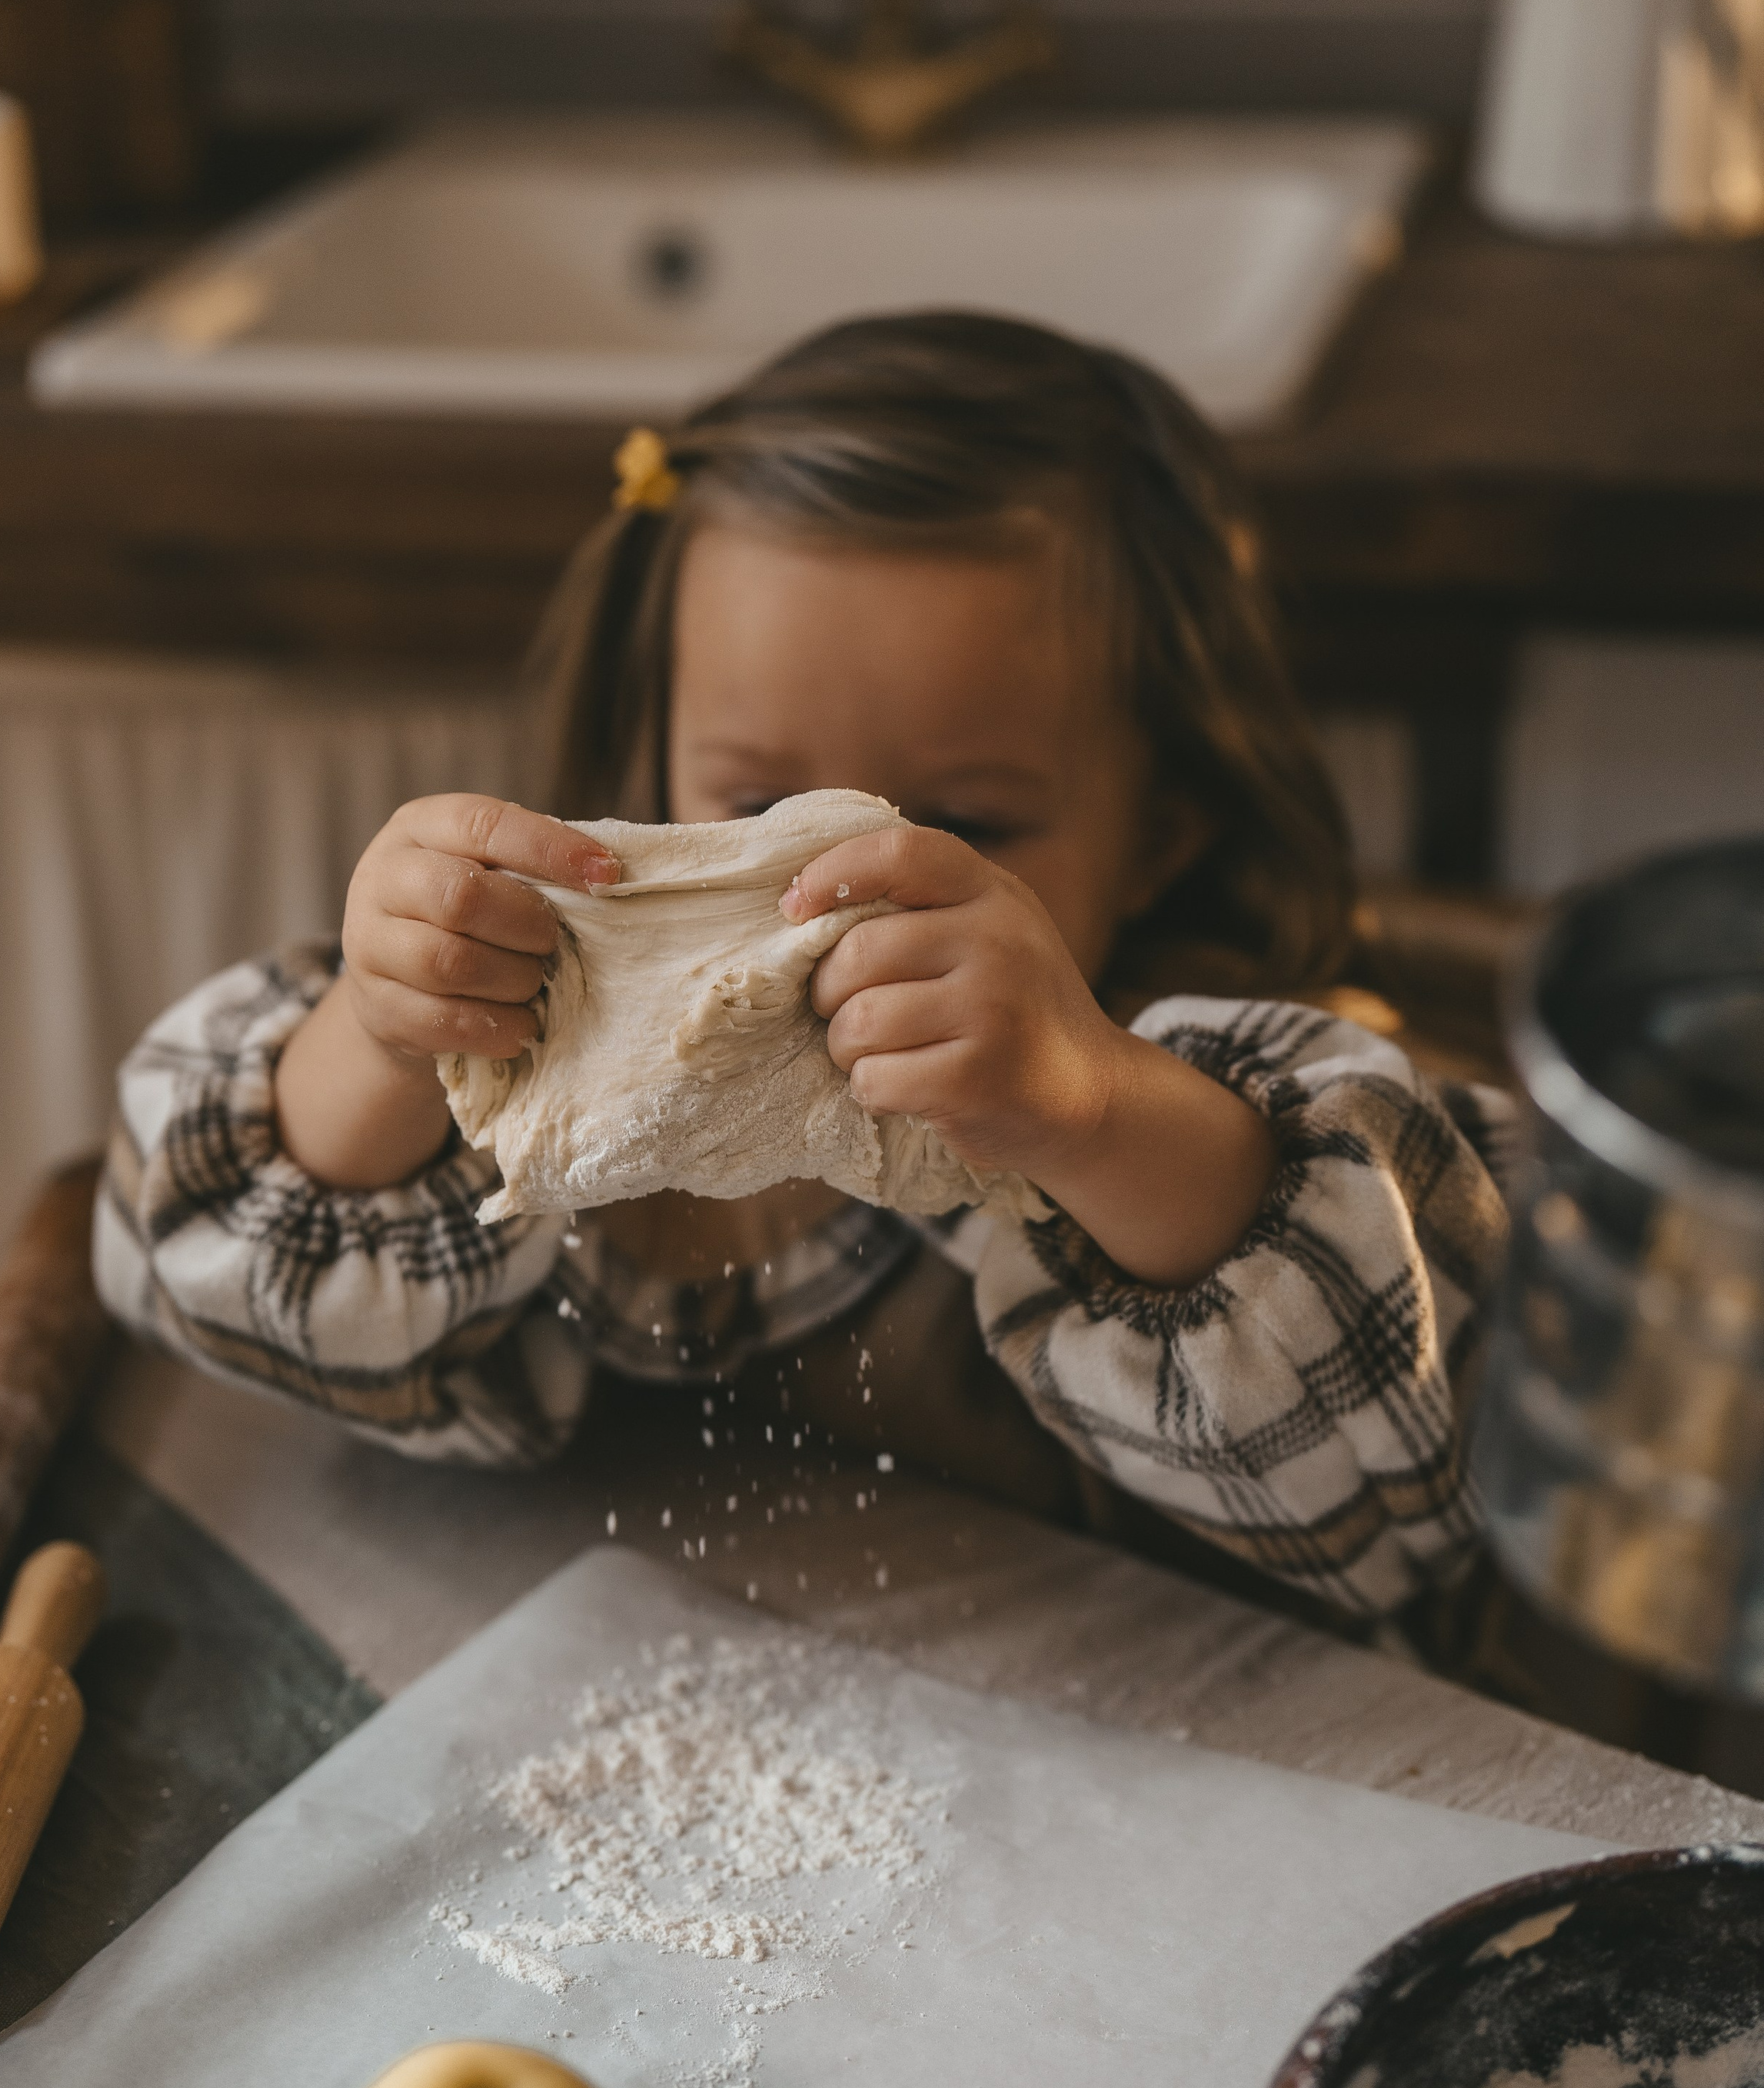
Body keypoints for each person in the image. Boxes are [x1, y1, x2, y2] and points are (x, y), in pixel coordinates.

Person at [98, 312, 1513, 1621]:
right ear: (647, 764)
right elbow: (197, 1296)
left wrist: (1089, 1109)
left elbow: (1428, 1493)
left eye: (969, 827)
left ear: (1159, 836)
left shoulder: (1206, 1103)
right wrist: (385, 1036)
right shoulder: (543, 1068)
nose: (837, 896)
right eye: (750, 804)